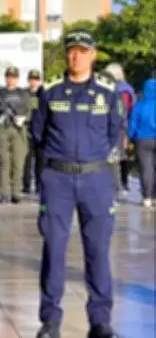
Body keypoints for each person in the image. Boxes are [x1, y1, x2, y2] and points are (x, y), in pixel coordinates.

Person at [30, 30, 122, 338]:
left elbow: (114, 132)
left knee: (97, 250)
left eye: (83, 51)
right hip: (58, 179)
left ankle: (100, 321)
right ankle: (50, 320)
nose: (76, 56)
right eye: (71, 50)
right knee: (54, 248)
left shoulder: (108, 92)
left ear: (93, 55)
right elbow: (38, 134)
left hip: (96, 178)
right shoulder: (50, 91)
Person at [0, 66, 32, 204]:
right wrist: (0, 111)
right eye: (9, 77)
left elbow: (30, 111)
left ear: (17, 79)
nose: (11, 80)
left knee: (18, 162)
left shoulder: (23, 94)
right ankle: (4, 193)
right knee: (4, 162)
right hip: (3, 128)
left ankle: (16, 192)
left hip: (19, 129)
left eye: (13, 77)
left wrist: (23, 118)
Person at [106, 63, 136, 197]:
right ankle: (124, 183)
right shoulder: (127, 90)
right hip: (124, 126)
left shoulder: (109, 89)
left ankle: (116, 185)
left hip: (113, 126)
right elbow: (131, 110)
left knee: (113, 156)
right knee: (123, 156)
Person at [128, 77, 156, 209]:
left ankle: (147, 197)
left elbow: (132, 124)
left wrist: (131, 137)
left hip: (143, 140)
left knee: (146, 168)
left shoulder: (139, 106)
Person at [23, 70, 44, 194]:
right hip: (27, 127)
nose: (33, 81)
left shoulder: (44, 93)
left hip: (40, 129)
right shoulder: (25, 93)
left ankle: (38, 185)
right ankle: (26, 185)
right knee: (27, 159)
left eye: (36, 79)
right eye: (31, 79)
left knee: (40, 160)